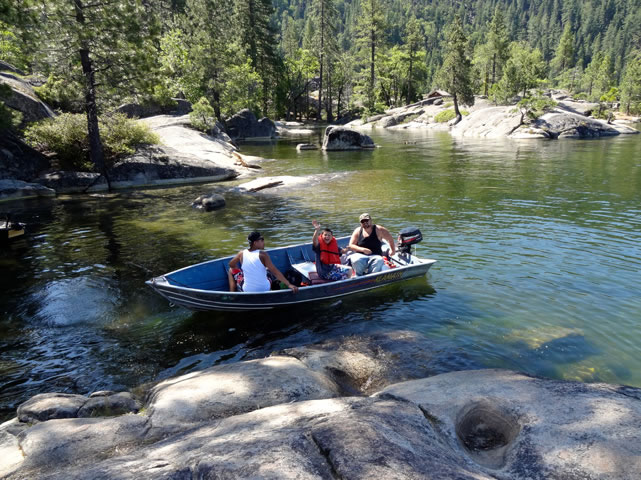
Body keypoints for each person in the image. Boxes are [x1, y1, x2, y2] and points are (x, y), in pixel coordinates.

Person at [227, 231, 298, 293]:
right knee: (268, 271)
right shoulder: (263, 255)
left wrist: (243, 270)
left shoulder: (241, 253)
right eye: (262, 240)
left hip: (247, 290)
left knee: (231, 270)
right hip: (265, 289)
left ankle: (232, 294)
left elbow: (231, 264)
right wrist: (289, 284)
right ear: (255, 243)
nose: (264, 242)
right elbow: (275, 272)